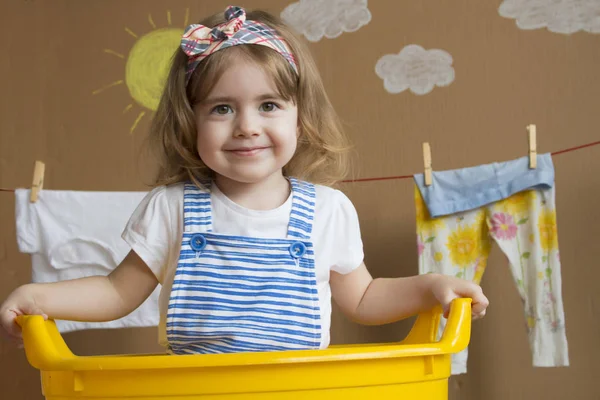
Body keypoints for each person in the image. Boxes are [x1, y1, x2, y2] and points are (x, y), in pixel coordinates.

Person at [0, 6, 488, 354]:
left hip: (297, 392)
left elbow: (362, 297)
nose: (247, 126)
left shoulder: (327, 210)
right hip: (196, 393)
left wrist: (430, 287)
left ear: (301, 119)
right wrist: (40, 297)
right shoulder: (170, 208)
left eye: (269, 105)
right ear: (191, 122)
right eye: (222, 108)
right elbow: (115, 293)